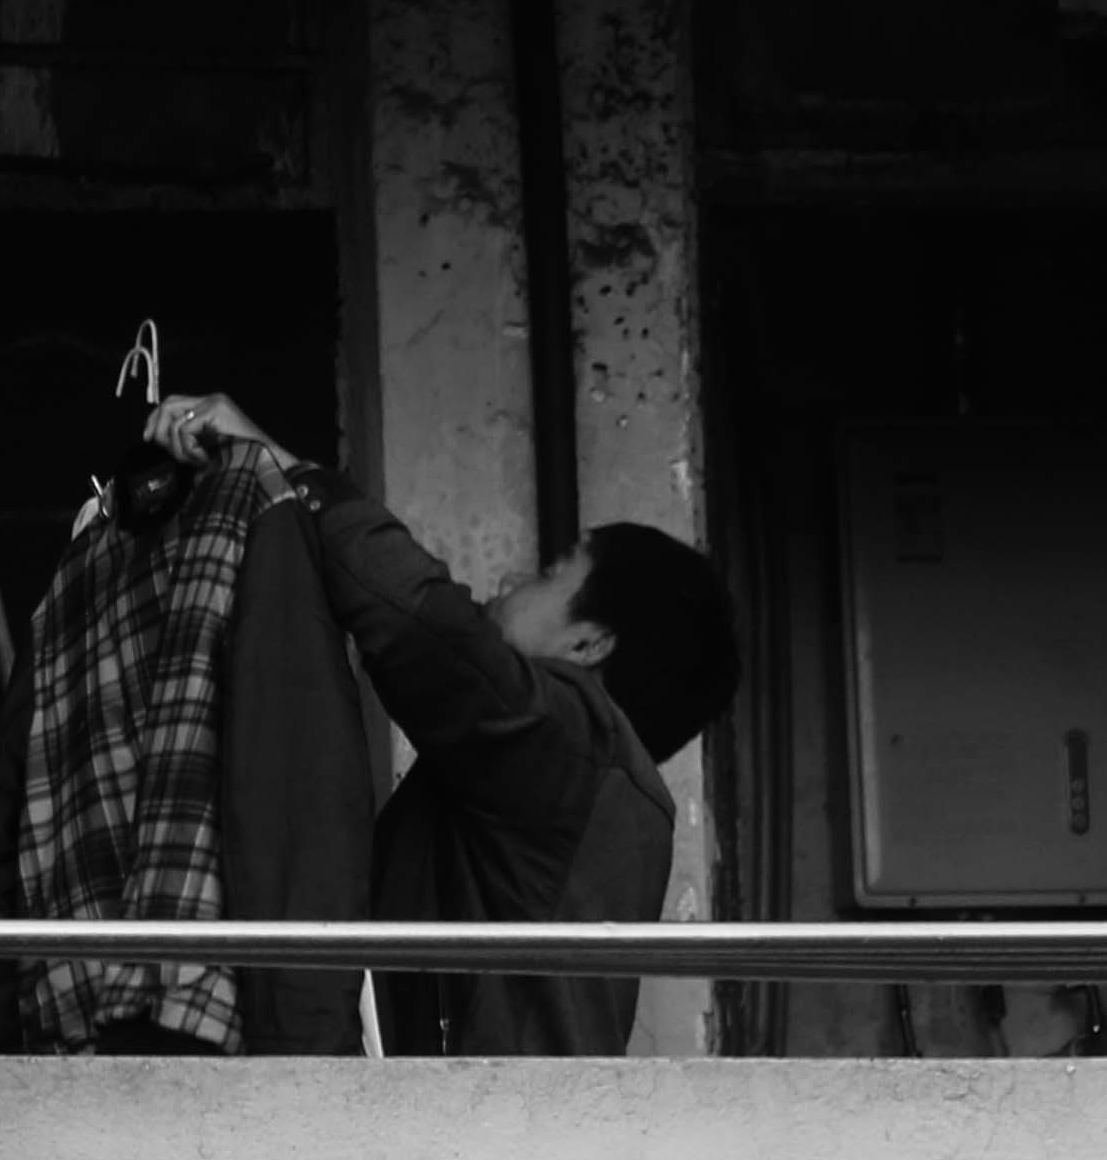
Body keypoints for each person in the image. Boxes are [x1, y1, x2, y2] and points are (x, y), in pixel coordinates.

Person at [153, 390, 739, 1055]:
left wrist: (283, 469)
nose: (512, 578)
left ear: (588, 643)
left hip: (473, 1116)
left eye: (549, 573)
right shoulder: (582, 787)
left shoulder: (577, 745)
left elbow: (423, 626)